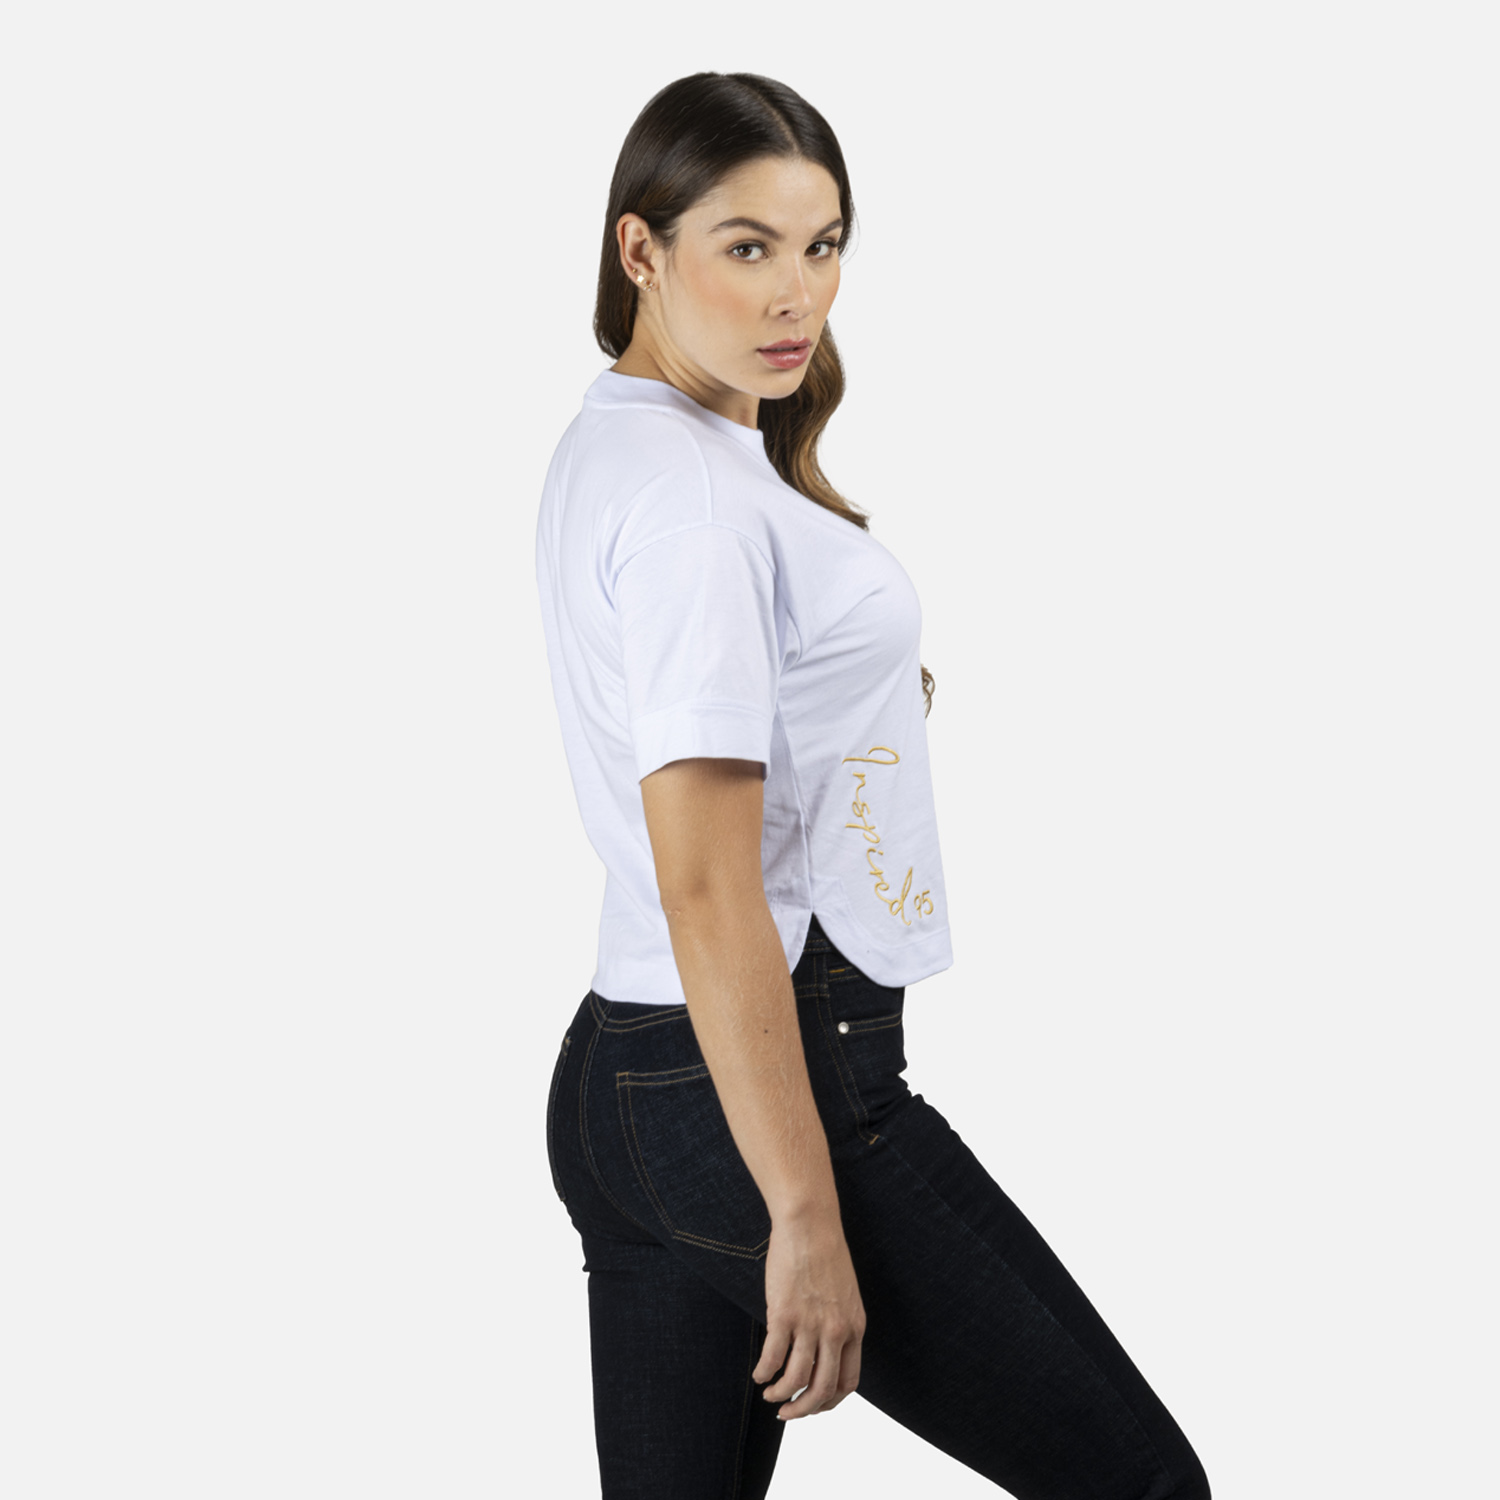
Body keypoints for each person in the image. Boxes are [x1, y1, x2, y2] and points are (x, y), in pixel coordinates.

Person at [534, 70, 1212, 1500]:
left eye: (823, 244)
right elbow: (705, 879)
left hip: (623, 1069)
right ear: (639, 249)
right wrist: (803, 1209)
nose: (797, 295)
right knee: (1142, 1485)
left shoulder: (632, 441)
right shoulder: (698, 505)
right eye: (747, 247)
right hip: (761, 1077)